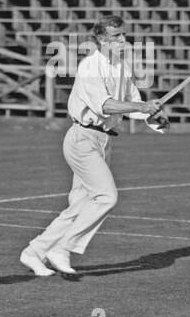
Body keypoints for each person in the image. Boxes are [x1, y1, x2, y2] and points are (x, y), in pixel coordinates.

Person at [19, 15, 169, 277]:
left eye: (124, 35)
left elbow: (133, 104)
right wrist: (141, 107)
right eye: (117, 36)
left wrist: (152, 115)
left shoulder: (122, 67)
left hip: (103, 140)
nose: (123, 40)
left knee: (79, 205)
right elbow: (106, 105)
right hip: (82, 139)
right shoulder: (90, 66)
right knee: (106, 196)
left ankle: (34, 252)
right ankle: (62, 248)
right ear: (101, 40)